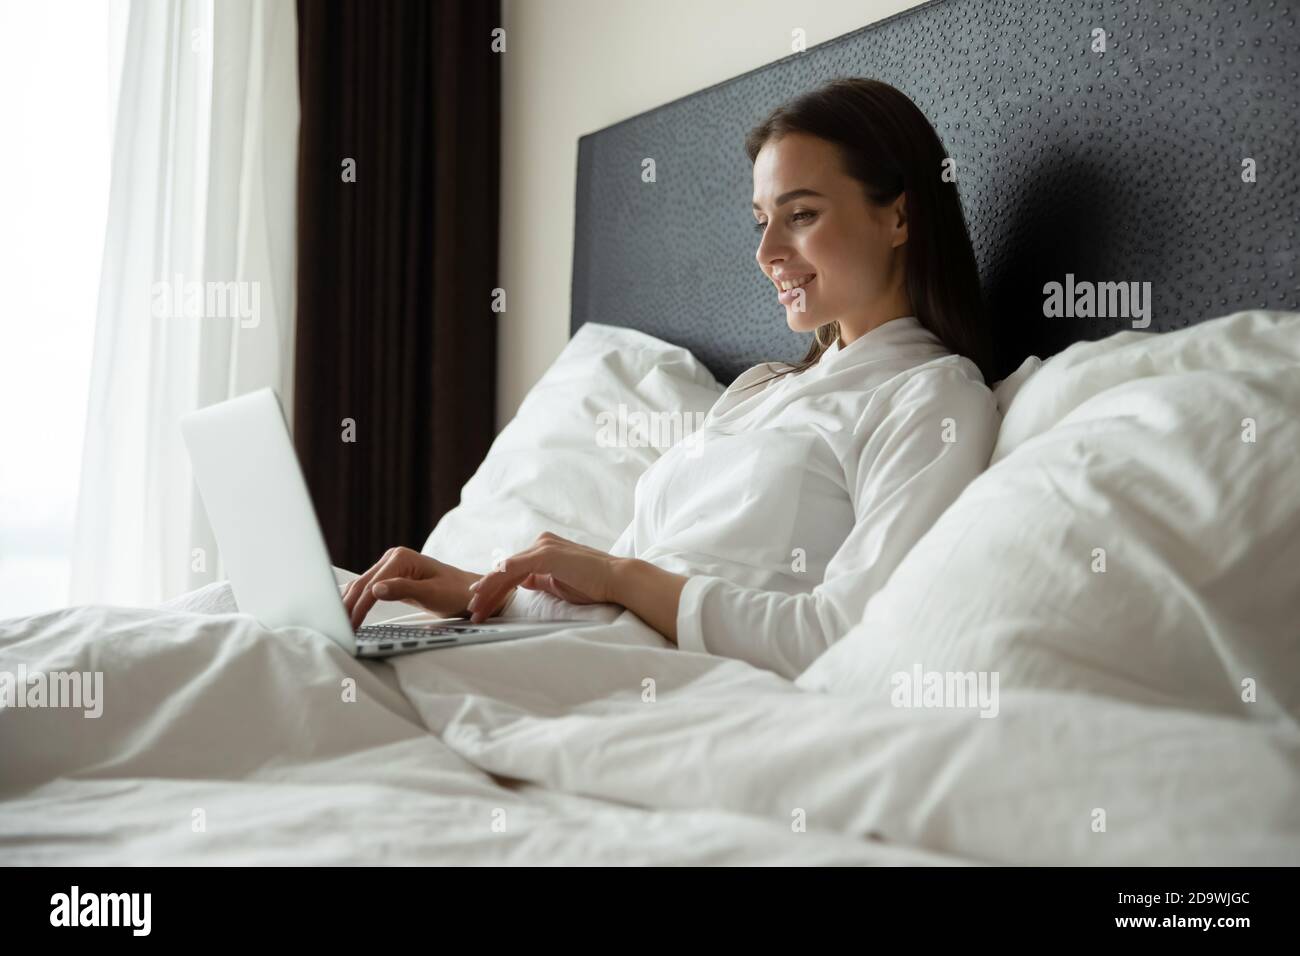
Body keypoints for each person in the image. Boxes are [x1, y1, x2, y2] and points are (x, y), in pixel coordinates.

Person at [343, 77, 1001, 679]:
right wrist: (480, 593)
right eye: (761, 220)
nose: (767, 252)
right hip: (579, 655)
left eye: (800, 215)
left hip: (666, 690)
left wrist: (620, 577)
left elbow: (844, 634)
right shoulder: (761, 389)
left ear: (899, 218)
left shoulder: (932, 398)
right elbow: (616, 594)